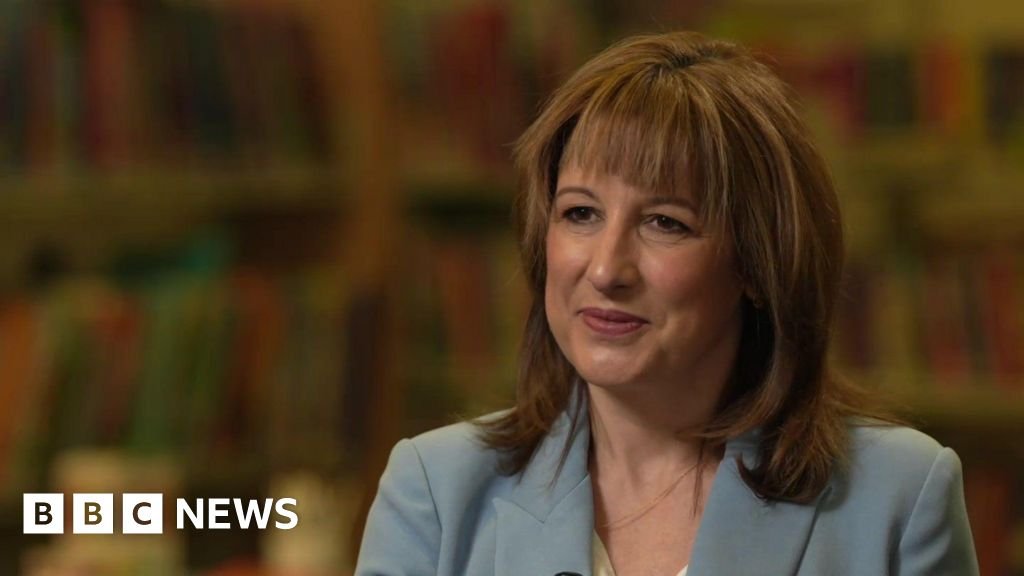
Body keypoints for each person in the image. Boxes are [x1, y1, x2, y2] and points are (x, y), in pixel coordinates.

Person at [355, 31, 979, 576]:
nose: (606, 269)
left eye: (665, 223)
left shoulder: (898, 496)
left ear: (757, 262)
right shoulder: (434, 492)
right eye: (580, 213)